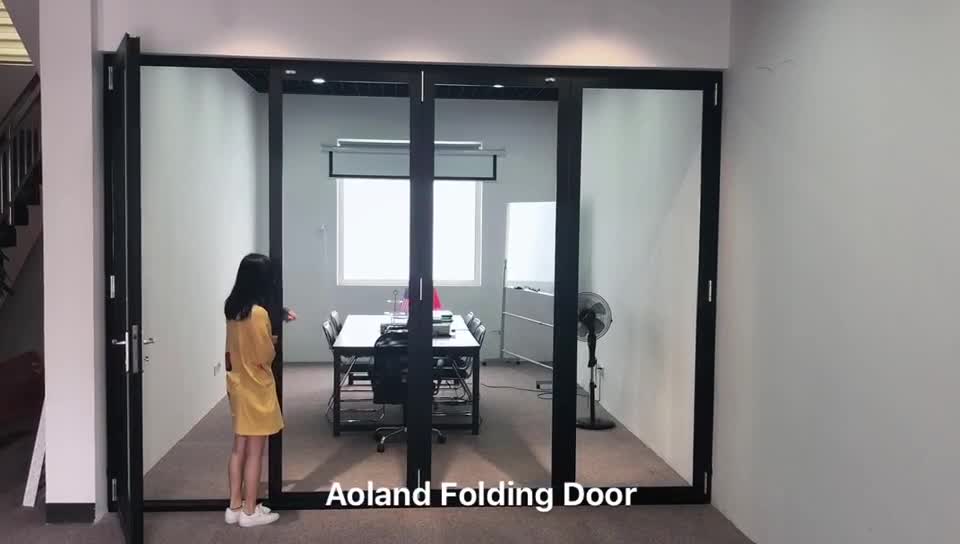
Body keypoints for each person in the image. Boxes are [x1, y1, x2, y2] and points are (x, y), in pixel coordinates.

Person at [221, 253, 295, 528]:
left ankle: (234, 506)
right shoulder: (259, 314)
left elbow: (233, 348)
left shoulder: (232, 309)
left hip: (238, 384)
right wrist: (273, 341)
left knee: (238, 448)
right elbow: (265, 355)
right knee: (255, 452)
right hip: (257, 387)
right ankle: (250, 512)